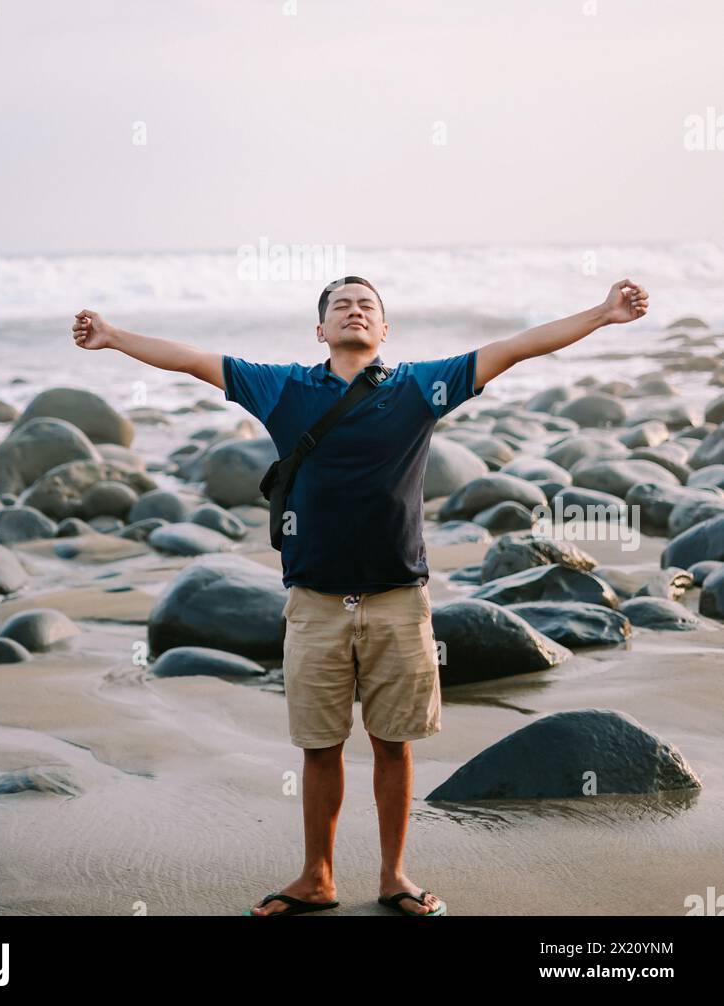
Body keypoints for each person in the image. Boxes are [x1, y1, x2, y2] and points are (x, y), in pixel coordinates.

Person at [72, 273, 649, 916]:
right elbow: (192, 360)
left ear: (384, 329)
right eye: (340, 305)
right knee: (318, 747)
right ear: (320, 330)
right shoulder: (283, 388)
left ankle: (394, 876)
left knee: (391, 743)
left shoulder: (419, 388)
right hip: (315, 602)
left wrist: (601, 314)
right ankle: (317, 877)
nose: (354, 310)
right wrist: (115, 338)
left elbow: (516, 347)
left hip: (398, 600)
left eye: (366, 305)